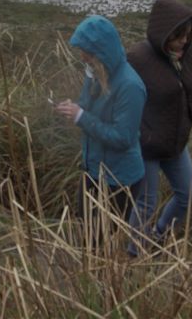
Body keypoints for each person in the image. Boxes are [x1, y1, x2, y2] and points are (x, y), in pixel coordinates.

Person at [51, 15, 146, 250]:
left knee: (98, 244)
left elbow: (122, 138)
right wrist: (72, 109)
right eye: (82, 51)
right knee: (86, 233)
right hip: (92, 170)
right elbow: (87, 106)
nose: (83, 57)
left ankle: (102, 284)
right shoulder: (95, 71)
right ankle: (89, 281)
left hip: (118, 181)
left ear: (103, 51)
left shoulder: (130, 86)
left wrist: (81, 117)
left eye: (88, 52)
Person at [129, 0, 192, 240]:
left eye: (188, 34)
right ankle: (133, 257)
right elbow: (123, 98)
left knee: (189, 196)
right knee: (146, 203)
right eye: (178, 35)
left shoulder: (186, 54)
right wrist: (142, 133)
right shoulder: (138, 58)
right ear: (163, 33)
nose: (184, 41)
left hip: (175, 142)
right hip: (146, 145)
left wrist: (191, 115)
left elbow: (189, 89)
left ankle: (157, 238)